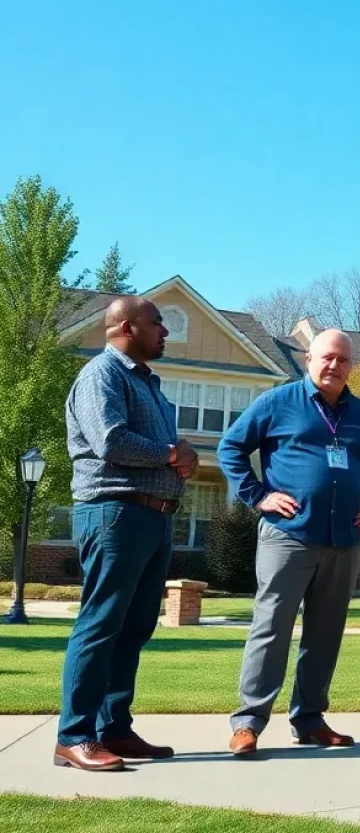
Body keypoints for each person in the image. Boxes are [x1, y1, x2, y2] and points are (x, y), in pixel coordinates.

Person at [218, 328, 360, 755]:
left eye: (343, 360)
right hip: (288, 536)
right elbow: (231, 448)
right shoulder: (278, 402)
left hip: (344, 540)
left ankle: (310, 719)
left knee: (326, 632)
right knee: (271, 627)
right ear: (309, 360)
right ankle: (249, 722)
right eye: (326, 358)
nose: (334, 366)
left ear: (351, 366)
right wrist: (259, 496)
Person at [55, 297, 199, 772]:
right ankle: (74, 735)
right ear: (123, 326)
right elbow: (110, 440)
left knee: (134, 628)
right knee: (100, 625)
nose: (164, 331)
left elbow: (168, 453)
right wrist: (171, 453)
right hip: (115, 513)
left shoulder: (150, 385)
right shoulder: (103, 374)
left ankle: (112, 728)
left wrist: (182, 457)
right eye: (155, 323)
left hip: (154, 518)